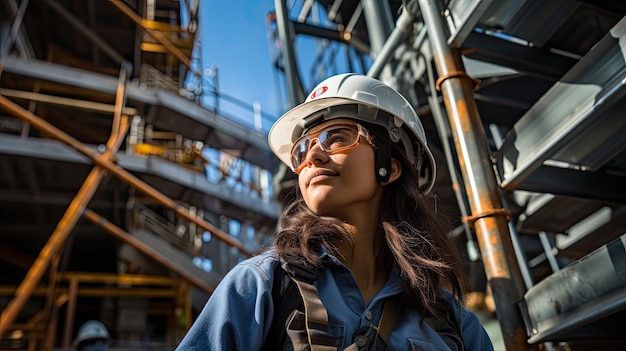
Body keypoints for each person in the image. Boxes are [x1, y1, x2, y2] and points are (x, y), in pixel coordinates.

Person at [176, 73, 494, 350]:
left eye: (337, 137)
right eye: (302, 149)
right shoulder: (262, 288)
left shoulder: (454, 324)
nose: (313, 155)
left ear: (391, 167)